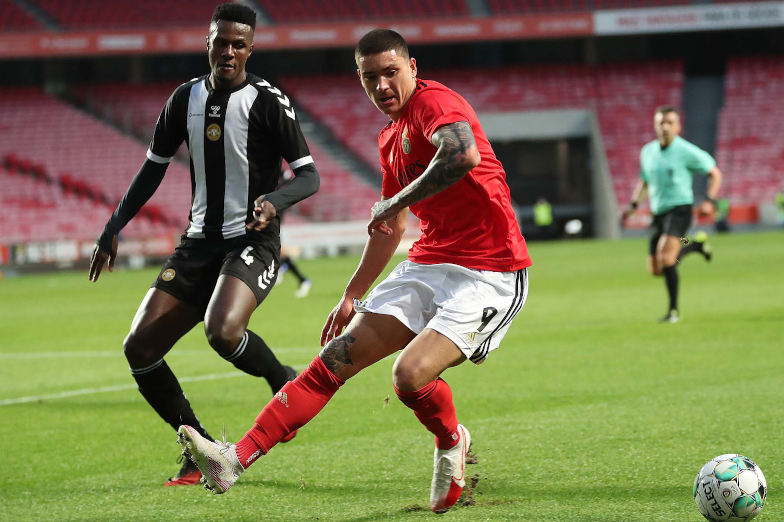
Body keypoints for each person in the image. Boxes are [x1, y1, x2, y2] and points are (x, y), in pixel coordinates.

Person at [177, 28, 532, 514]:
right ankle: (233, 460)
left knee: (408, 376)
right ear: (359, 80)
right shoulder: (390, 139)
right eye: (370, 78)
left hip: (490, 269)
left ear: (412, 67)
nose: (383, 85)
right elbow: (389, 228)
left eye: (391, 72)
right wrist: (352, 294)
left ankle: (451, 443)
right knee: (332, 361)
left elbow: (460, 154)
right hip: (429, 261)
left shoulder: (434, 103)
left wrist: (396, 200)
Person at [88, 3, 320, 486]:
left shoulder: (267, 101)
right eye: (221, 42)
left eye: (239, 44)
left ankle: (280, 378)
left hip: (252, 240)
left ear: (250, 48)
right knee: (139, 346)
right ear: (207, 43)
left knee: (221, 331)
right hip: (197, 244)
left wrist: (274, 202)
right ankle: (200, 449)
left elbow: (309, 176)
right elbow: (153, 167)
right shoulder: (183, 99)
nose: (229, 52)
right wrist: (114, 225)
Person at [621, 106, 722, 323]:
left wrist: (709, 200)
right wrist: (633, 204)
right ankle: (695, 246)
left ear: (678, 126)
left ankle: (673, 312)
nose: (665, 127)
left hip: (680, 209)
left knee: (666, 257)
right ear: (655, 126)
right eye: (661, 122)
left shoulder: (686, 151)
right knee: (656, 269)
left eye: (669, 122)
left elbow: (715, 173)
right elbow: (645, 181)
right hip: (658, 212)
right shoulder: (648, 152)